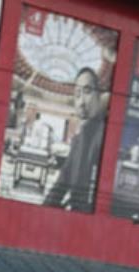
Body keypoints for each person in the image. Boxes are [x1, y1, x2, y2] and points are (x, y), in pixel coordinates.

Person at [43, 67, 106, 212]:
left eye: (87, 91)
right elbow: (60, 185)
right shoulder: (79, 140)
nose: (81, 102)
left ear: (99, 95)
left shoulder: (104, 132)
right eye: (77, 95)